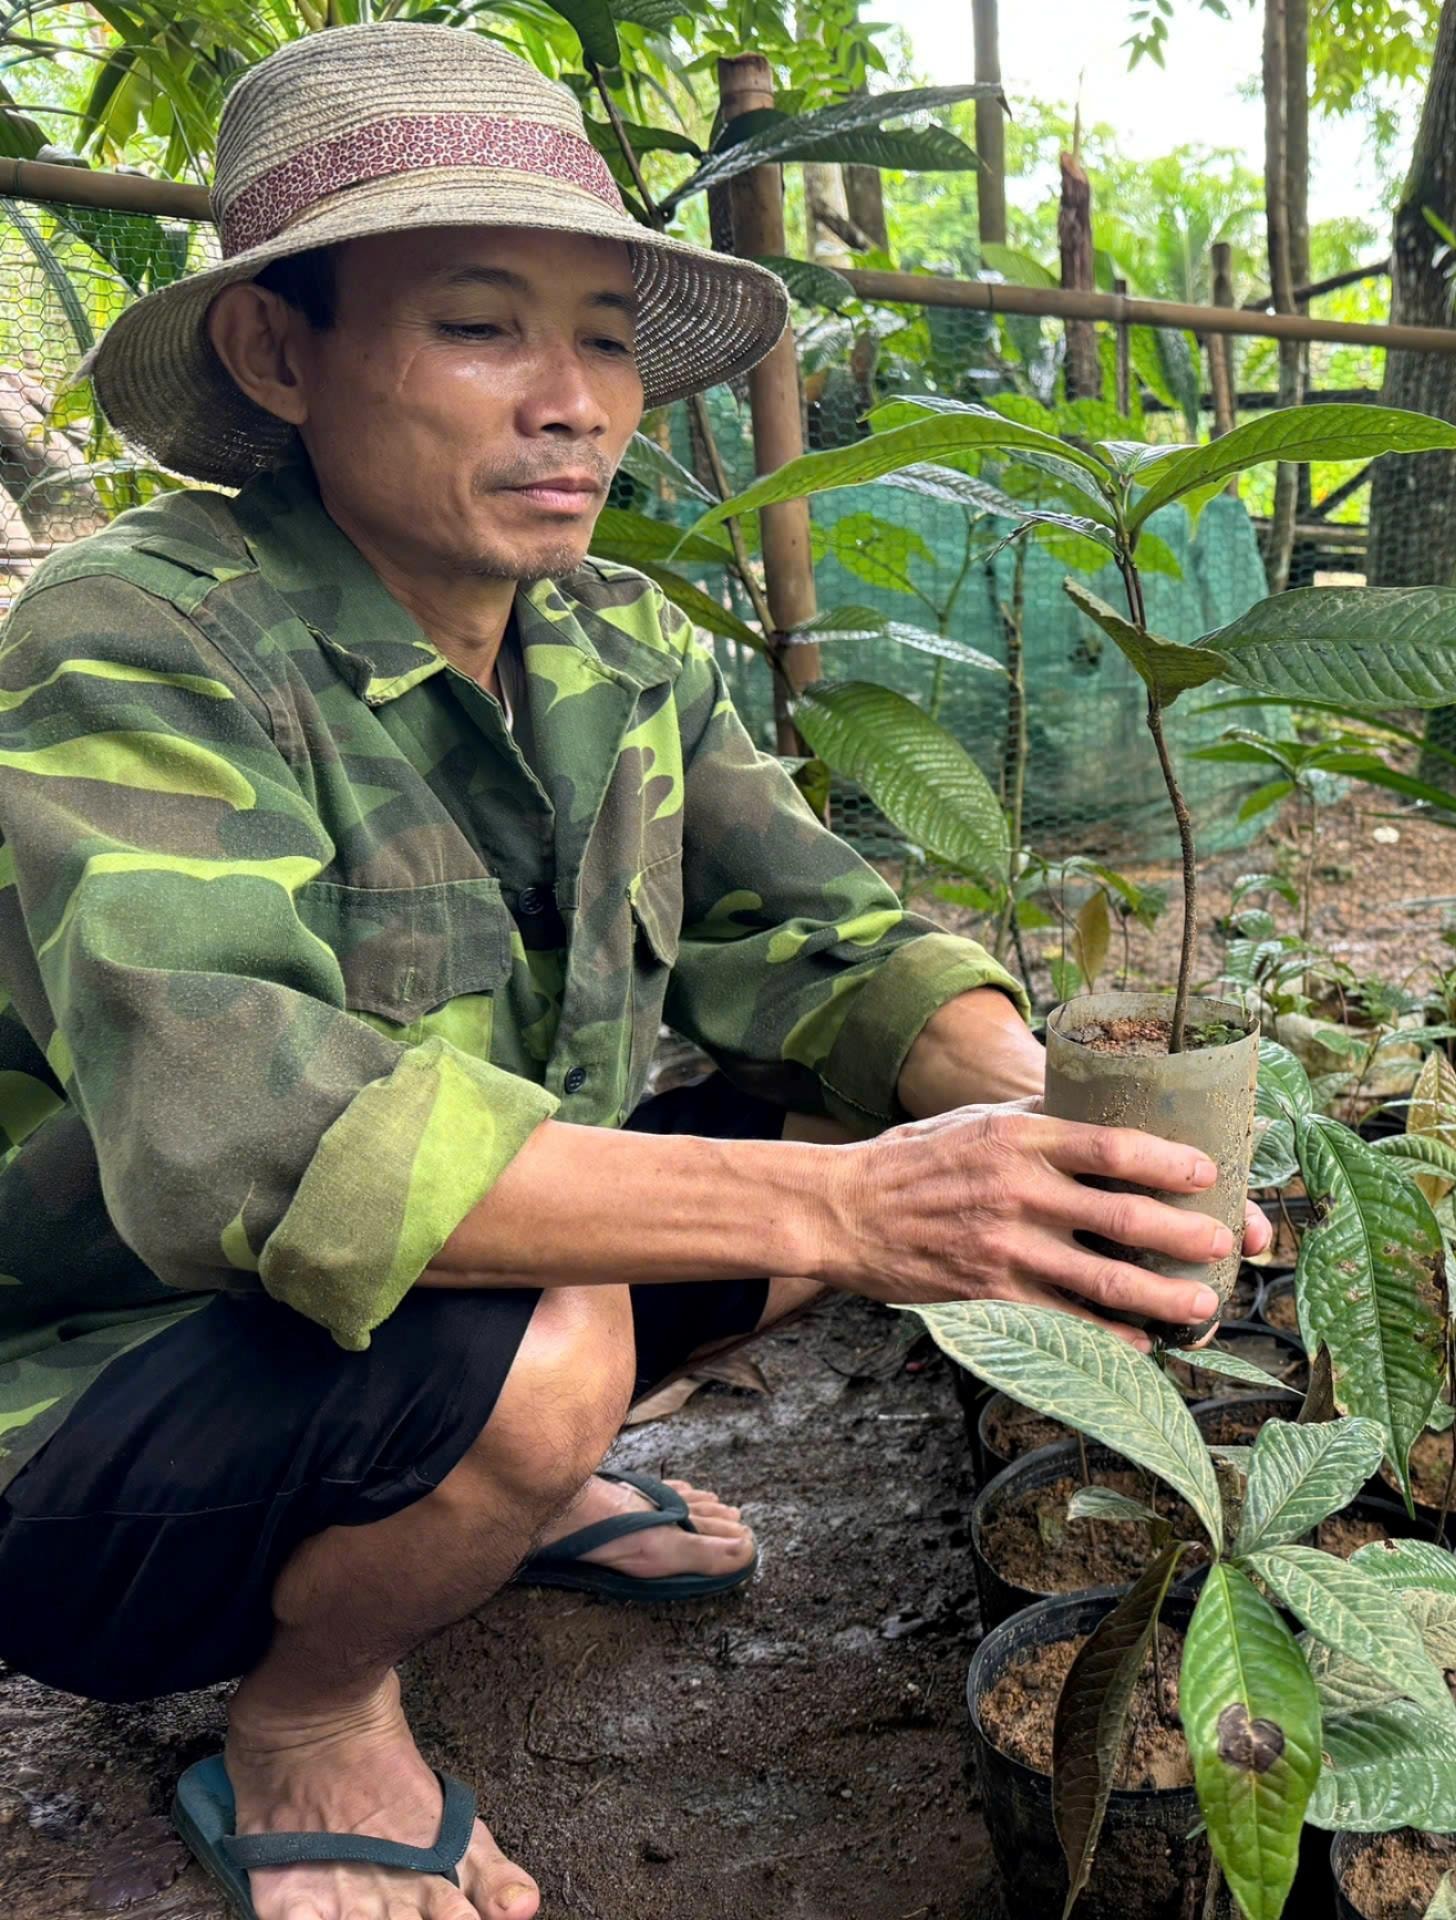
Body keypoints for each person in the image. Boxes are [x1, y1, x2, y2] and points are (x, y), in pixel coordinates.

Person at [0, 24, 1258, 1920]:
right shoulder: (139, 642)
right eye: (482, 328)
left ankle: (501, 1487)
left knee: (877, 1103)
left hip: (437, 1311)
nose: (574, 402)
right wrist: (855, 1214)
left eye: (604, 338)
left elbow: (822, 933)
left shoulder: (617, 642)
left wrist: (1030, 1128)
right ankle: (315, 1710)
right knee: (578, 1325)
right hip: (97, 1390)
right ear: (280, 350)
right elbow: (245, 1132)